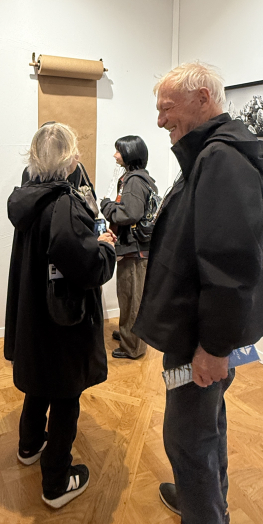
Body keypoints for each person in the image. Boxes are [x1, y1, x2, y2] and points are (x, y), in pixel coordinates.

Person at [133, 62, 263, 524]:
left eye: (167, 108)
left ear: (203, 99)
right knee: (205, 423)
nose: (160, 120)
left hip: (201, 335)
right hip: (197, 327)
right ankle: (203, 500)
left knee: (187, 436)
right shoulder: (209, 155)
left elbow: (230, 266)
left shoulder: (220, 160)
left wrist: (213, 348)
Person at [5, 122, 117, 508]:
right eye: (76, 152)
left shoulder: (28, 198)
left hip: (35, 314)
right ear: (68, 158)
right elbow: (86, 267)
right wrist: (105, 247)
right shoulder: (65, 204)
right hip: (62, 320)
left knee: (40, 382)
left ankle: (29, 445)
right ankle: (56, 482)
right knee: (66, 393)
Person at [99, 135, 158, 360]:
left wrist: (106, 206)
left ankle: (133, 347)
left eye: (119, 151)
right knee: (128, 296)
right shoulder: (142, 178)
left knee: (132, 298)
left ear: (130, 154)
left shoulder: (133, 181)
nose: (115, 155)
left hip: (135, 251)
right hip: (136, 248)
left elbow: (129, 214)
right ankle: (128, 334)